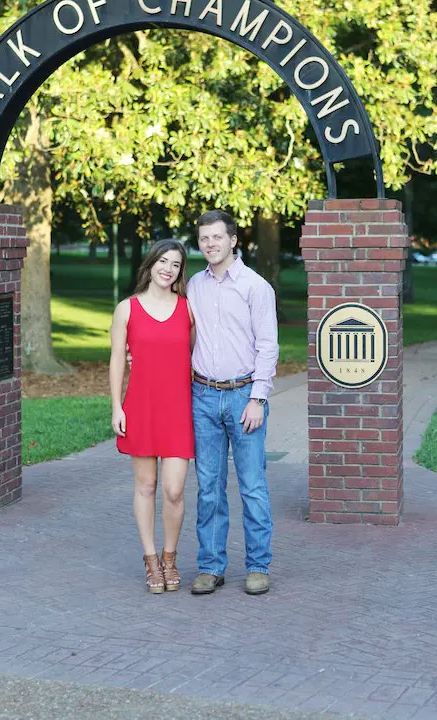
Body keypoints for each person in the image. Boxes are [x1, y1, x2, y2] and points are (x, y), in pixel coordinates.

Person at [187, 209, 279, 596]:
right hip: (203, 396)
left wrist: (258, 398)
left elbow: (268, 347)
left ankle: (258, 566)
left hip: (244, 397)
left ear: (233, 240)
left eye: (217, 238)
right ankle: (211, 566)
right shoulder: (194, 284)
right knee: (208, 486)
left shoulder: (256, 287)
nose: (210, 244)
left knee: (252, 485)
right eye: (204, 238)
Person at [110, 239, 195, 594]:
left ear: (180, 272)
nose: (168, 269)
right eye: (163, 261)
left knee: (174, 490)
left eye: (175, 264)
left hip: (177, 408)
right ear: (150, 264)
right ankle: (151, 561)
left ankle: (170, 557)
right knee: (146, 486)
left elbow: (193, 357)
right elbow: (117, 358)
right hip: (140, 407)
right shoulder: (126, 309)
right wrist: (116, 406)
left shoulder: (188, 309)